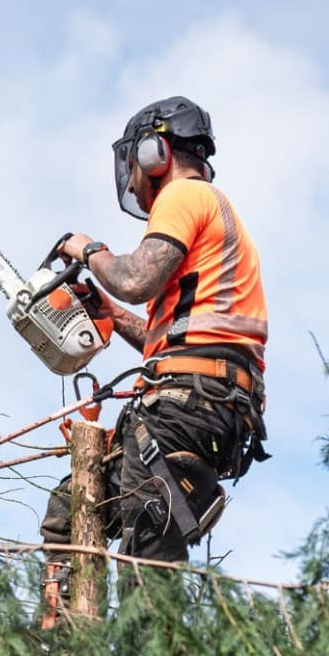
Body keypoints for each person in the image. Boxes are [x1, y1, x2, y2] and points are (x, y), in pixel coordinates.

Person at [39, 96, 269, 566]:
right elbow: (173, 337)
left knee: (147, 557)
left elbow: (134, 279)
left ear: (152, 153)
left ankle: (149, 614)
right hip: (199, 400)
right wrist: (110, 311)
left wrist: (87, 250)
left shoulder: (185, 196)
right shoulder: (210, 213)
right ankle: (62, 611)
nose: (133, 182)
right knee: (70, 509)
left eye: (133, 167)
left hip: (189, 405)